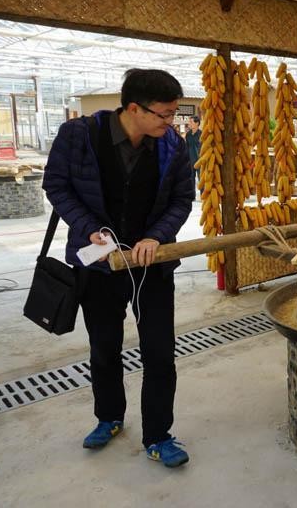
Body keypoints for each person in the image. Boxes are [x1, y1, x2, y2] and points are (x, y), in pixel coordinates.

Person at [42, 69, 194, 468]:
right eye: (163, 114)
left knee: (160, 353)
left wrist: (157, 236)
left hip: (151, 266)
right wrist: (88, 228)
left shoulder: (172, 146)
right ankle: (108, 417)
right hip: (98, 265)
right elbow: (56, 186)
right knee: (104, 348)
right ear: (133, 108)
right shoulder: (77, 136)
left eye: (174, 114)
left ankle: (159, 435)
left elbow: (182, 198)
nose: (171, 122)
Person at [185, 115, 201, 192]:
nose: (189, 123)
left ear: (197, 123)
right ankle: (192, 196)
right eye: (189, 122)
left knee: (201, 179)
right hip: (190, 160)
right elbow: (187, 147)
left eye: (191, 122)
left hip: (200, 161)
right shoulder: (188, 135)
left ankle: (203, 196)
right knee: (191, 180)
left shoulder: (202, 134)